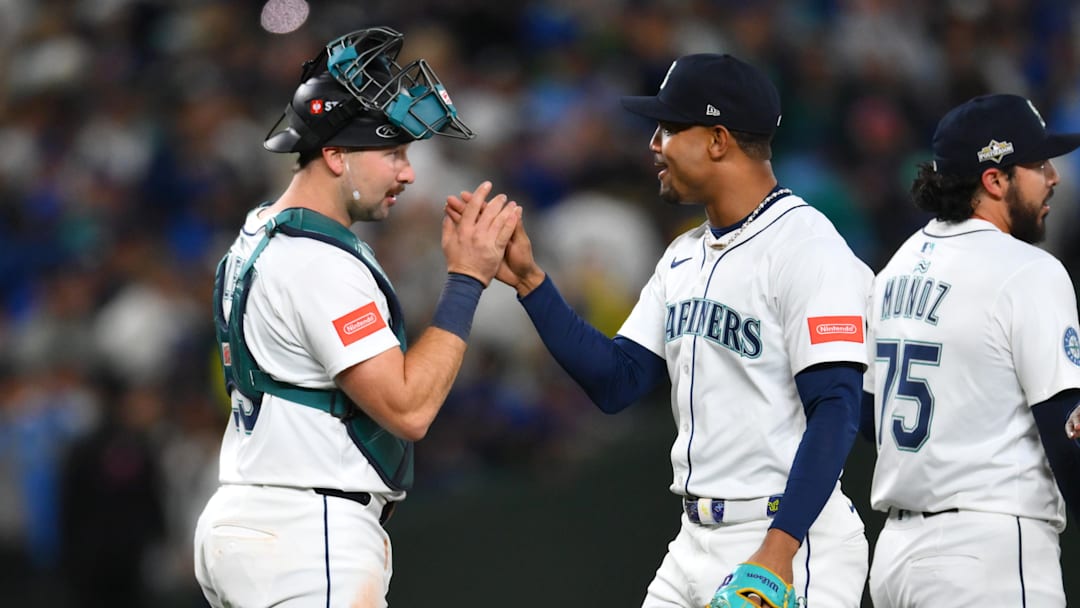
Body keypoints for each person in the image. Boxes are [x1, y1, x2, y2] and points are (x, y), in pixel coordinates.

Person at [449, 53, 870, 607]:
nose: (653, 143)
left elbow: (838, 406)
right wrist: (531, 282)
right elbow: (617, 383)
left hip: (786, 536)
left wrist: (779, 550)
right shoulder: (683, 256)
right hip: (693, 540)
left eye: (670, 128)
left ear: (718, 140)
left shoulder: (808, 249)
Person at [192, 26, 520, 608]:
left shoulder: (260, 233)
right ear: (337, 155)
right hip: (304, 530)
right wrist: (467, 279)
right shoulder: (317, 262)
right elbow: (408, 408)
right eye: (392, 151)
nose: (408, 172)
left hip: (256, 518)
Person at [861, 93, 1080, 606]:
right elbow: (1066, 431)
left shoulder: (894, 268)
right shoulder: (1028, 271)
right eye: (1037, 163)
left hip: (894, 558)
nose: (1054, 176)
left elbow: (871, 417)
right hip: (989, 554)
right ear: (994, 179)